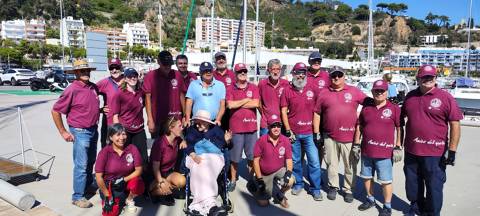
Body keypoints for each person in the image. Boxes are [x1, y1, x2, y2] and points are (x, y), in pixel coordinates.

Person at [401, 65, 462, 216]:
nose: (428, 79)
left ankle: (432, 213)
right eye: (425, 77)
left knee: (434, 187)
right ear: (418, 79)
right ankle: (416, 209)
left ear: (435, 78)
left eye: (431, 77)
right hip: (412, 151)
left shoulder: (445, 97)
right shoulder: (410, 96)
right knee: (413, 185)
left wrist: (452, 151)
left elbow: (455, 123)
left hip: (435, 153)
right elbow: (399, 119)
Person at [313, 66, 366, 203]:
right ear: (330, 77)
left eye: (339, 75)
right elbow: (317, 113)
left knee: (350, 165)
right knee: (331, 164)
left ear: (344, 76)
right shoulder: (324, 93)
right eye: (333, 75)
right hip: (329, 136)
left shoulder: (354, 91)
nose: (336, 78)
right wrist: (316, 132)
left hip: (349, 137)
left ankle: (348, 189)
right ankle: (333, 186)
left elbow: (369, 104)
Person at [51, 59, 100, 208]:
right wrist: (63, 132)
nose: (86, 73)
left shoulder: (93, 87)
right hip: (80, 131)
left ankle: (87, 187)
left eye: (87, 70)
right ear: (76, 73)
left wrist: (100, 110)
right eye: (82, 71)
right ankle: (77, 196)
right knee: (81, 165)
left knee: (91, 161)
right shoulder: (72, 89)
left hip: (93, 129)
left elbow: (88, 106)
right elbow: (55, 110)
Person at [353, 80, 402, 216]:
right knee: (366, 177)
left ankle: (387, 206)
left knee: (386, 181)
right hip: (367, 151)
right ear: (372, 92)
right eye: (376, 90)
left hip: (384, 153)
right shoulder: (366, 108)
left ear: (387, 92)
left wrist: (398, 146)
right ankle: (370, 199)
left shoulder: (394, 108)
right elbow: (359, 126)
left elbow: (399, 128)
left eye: (382, 91)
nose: (379, 93)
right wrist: (356, 144)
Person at [280, 62, 322, 201]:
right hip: (294, 133)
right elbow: (283, 111)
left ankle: (316, 188)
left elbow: (318, 110)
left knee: (314, 161)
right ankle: (298, 183)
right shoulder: (287, 90)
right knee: (296, 161)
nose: (300, 75)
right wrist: (287, 130)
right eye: (298, 72)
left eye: (303, 72)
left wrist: (318, 130)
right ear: (293, 73)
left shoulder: (313, 88)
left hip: (309, 132)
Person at [184, 110, 232, 215]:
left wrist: (227, 140)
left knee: (207, 170)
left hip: (214, 157)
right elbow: (188, 144)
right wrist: (193, 154)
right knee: (198, 168)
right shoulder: (192, 130)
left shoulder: (217, 130)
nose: (197, 124)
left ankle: (199, 206)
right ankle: (211, 205)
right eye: (196, 121)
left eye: (200, 122)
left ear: (207, 123)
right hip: (196, 156)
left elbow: (225, 146)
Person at [95, 124, 144, 215]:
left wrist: (124, 180)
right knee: (110, 214)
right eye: (118, 135)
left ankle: (129, 199)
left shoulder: (132, 149)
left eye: (124, 134)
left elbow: (139, 169)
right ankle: (116, 200)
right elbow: (98, 177)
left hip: (126, 182)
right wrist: (107, 195)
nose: (122, 137)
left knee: (139, 184)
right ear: (110, 137)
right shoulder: (104, 152)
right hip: (111, 186)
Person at [226, 63, 260, 191]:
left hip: (251, 128)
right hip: (236, 129)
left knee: (252, 156)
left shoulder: (253, 87)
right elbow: (230, 105)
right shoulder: (230, 89)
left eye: (245, 71)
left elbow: (256, 103)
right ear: (235, 73)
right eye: (240, 71)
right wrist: (246, 99)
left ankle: (251, 179)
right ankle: (233, 180)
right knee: (235, 158)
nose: (243, 73)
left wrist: (238, 103)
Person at [251, 114, 294, 208]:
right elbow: (256, 161)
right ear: (268, 127)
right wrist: (259, 179)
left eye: (278, 125)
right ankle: (256, 184)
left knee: (290, 180)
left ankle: (280, 193)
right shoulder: (261, 141)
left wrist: (288, 173)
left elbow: (289, 159)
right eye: (273, 126)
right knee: (264, 203)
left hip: (279, 169)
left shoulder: (285, 140)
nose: (276, 128)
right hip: (264, 174)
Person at [143, 50, 186, 138]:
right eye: (165, 64)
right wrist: (150, 120)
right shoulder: (150, 76)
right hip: (157, 120)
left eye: (169, 64)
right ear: (158, 62)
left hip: (175, 119)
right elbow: (147, 99)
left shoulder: (177, 75)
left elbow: (182, 96)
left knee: (177, 147)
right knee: (158, 148)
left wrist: (185, 115)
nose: (167, 67)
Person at [112, 68, 147, 166]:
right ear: (125, 79)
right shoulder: (119, 93)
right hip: (126, 130)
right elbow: (115, 116)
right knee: (127, 158)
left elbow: (143, 105)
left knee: (143, 158)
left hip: (139, 130)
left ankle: (142, 180)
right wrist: (118, 133)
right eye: (130, 76)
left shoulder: (141, 92)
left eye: (135, 76)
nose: (133, 78)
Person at [149, 116, 187, 205]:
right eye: (179, 126)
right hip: (154, 175)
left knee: (182, 181)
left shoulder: (176, 139)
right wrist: (161, 181)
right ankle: (153, 193)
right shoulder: (160, 143)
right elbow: (155, 168)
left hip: (168, 172)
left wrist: (183, 141)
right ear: (171, 128)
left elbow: (182, 140)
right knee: (164, 185)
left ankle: (166, 190)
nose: (182, 128)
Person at [184, 62, 226, 127]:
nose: (208, 72)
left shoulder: (220, 85)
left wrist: (218, 119)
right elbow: (189, 103)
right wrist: (187, 119)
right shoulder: (193, 84)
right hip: (197, 123)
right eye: (205, 71)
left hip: (214, 123)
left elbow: (222, 105)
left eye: (210, 70)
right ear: (200, 72)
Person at [258, 59, 289, 136]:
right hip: (266, 124)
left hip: (282, 123)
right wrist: (264, 114)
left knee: (282, 147)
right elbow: (258, 102)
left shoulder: (286, 84)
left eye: (278, 69)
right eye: (273, 69)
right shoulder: (262, 84)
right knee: (265, 146)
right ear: (268, 70)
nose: (275, 72)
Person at [97, 58, 124, 148]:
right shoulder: (104, 83)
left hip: (126, 121)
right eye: (111, 68)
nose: (114, 70)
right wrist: (99, 110)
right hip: (109, 122)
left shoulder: (128, 80)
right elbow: (90, 94)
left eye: (116, 67)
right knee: (107, 148)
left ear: (121, 67)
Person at [213, 52, 235, 130]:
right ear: (215, 61)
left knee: (230, 133)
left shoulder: (232, 74)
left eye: (223, 59)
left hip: (229, 109)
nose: (221, 60)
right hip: (216, 109)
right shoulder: (211, 75)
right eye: (218, 59)